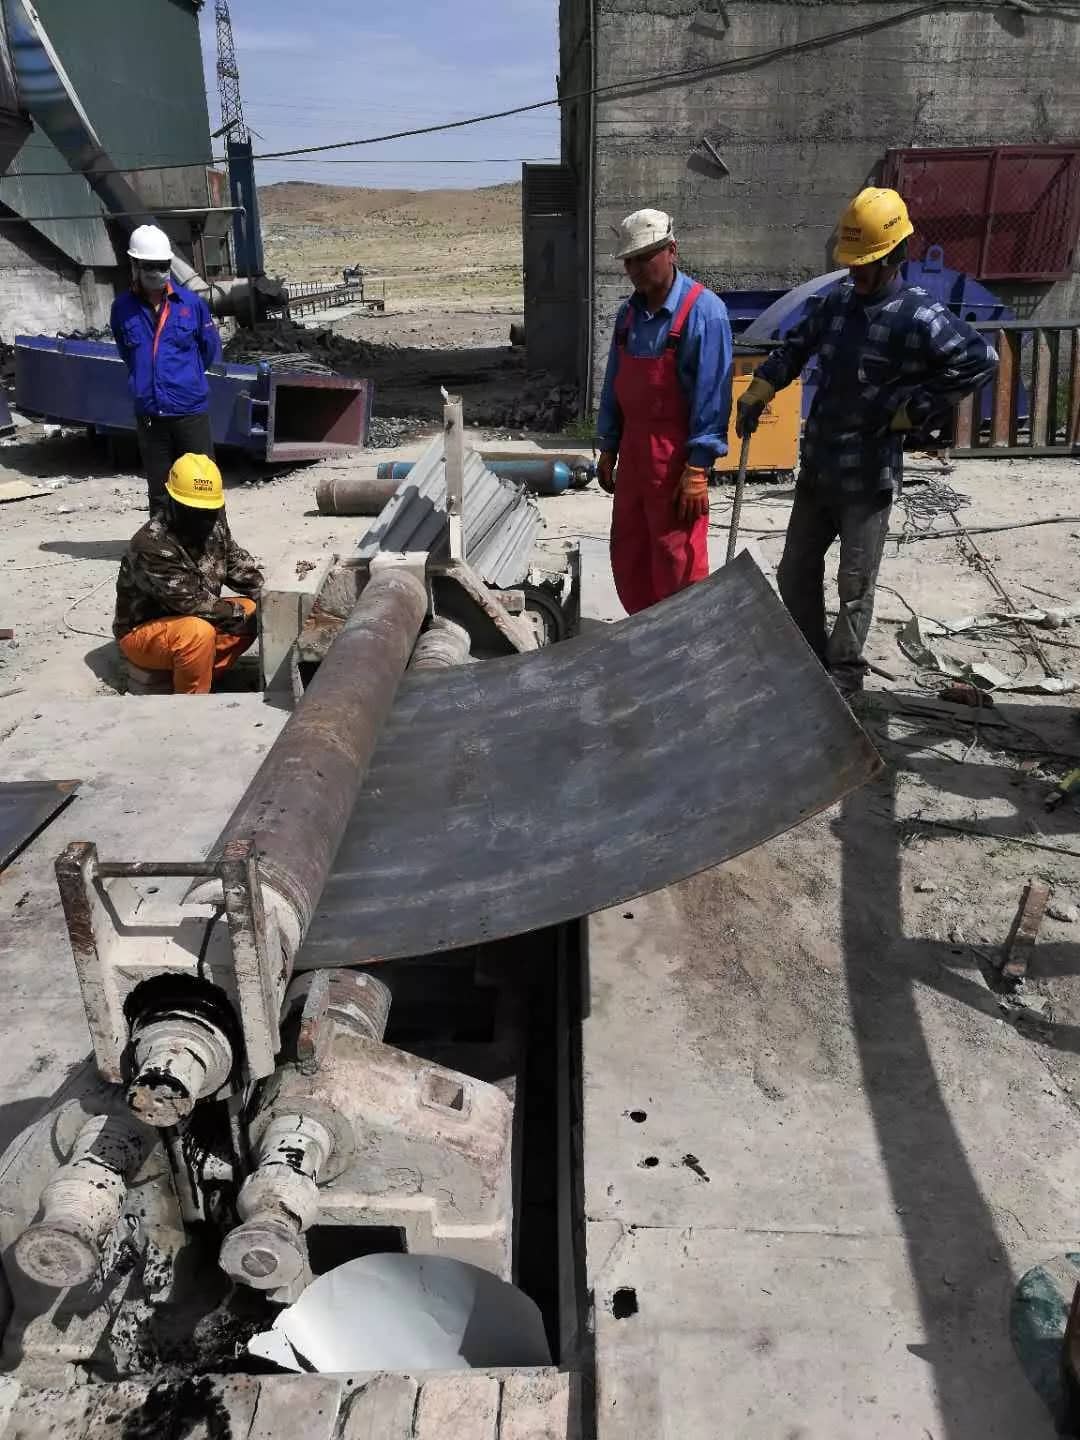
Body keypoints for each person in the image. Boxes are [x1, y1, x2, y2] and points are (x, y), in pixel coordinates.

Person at [737, 187, 997, 698]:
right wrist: (763, 386)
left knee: (854, 586)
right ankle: (809, 661)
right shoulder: (836, 302)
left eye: (865, 264)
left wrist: (916, 409)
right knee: (794, 573)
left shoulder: (917, 316)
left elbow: (979, 359)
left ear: (893, 256)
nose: (854, 272)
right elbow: (795, 346)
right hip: (819, 469)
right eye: (851, 263)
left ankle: (844, 678)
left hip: (867, 478)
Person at [596, 208, 733, 614]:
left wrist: (698, 469)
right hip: (634, 456)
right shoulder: (628, 316)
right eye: (629, 261)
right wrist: (609, 445)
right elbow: (615, 384)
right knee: (631, 554)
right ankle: (644, 634)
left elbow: (713, 396)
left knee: (677, 559)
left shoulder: (703, 312)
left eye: (644, 258)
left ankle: (683, 640)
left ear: (671, 250)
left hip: (675, 463)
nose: (635, 269)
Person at [114, 453, 263, 695]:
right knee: (197, 633)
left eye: (210, 511)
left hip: (193, 621)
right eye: (194, 511)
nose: (203, 520)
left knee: (255, 609)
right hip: (143, 631)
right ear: (173, 503)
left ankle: (198, 673)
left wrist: (274, 600)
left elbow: (242, 570)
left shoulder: (214, 526)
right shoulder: (152, 545)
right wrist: (242, 615)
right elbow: (193, 603)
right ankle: (190, 703)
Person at [111, 224, 222, 515]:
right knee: (160, 491)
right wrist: (146, 381)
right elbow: (128, 353)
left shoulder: (191, 305)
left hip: (189, 411)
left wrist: (185, 379)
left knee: (203, 483)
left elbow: (208, 350)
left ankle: (212, 537)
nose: (157, 272)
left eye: (163, 266)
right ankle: (163, 539)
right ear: (135, 264)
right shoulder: (121, 309)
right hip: (150, 414)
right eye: (149, 266)